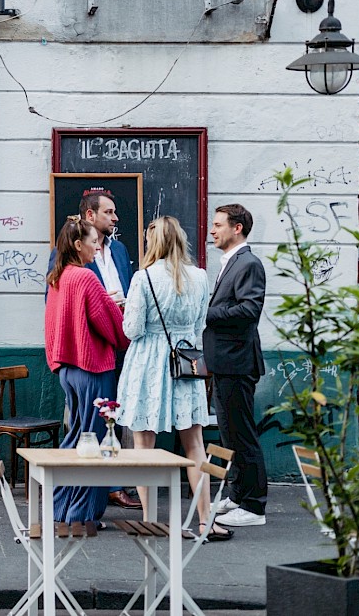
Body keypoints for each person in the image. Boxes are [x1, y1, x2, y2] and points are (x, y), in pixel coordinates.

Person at [114, 217, 232, 541]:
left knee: (144, 443)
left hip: (148, 364)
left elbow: (132, 330)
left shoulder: (143, 278)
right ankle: (207, 520)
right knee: (194, 445)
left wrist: (124, 308)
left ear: (154, 243)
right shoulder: (199, 277)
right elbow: (199, 327)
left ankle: (151, 520)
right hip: (185, 362)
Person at [47, 188, 140, 510]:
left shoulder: (59, 275)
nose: (96, 247)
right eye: (91, 243)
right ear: (79, 243)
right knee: (93, 439)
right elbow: (107, 322)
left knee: (80, 438)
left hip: (72, 364)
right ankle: (81, 512)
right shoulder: (85, 277)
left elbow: (57, 319)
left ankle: (60, 506)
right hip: (92, 360)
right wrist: (117, 315)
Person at [206, 203, 267, 527]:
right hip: (226, 362)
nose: (213, 231)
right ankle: (237, 494)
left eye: (218, 225)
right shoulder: (232, 262)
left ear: (237, 228)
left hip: (237, 362)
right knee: (231, 434)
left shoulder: (248, 263)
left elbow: (248, 311)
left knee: (242, 436)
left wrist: (208, 312)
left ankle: (254, 506)